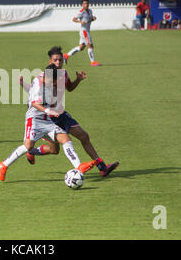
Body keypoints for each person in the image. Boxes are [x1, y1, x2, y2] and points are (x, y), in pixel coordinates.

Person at [21, 46, 119, 177]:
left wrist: (78, 80)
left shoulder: (64, 74)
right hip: (49, 119)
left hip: (61, 115)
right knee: (54, 150)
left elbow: (69, 88)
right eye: (55, 60)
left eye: (60, 60)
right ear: (50, 61)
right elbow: (34, 95)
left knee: (84, 136)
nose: (58, 63)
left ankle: (102, 167)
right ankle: (32, 152)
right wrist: (23, 84)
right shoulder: (42, 77)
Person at [0, 64, 95, 181]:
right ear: (47, 78)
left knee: (66, 139)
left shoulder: (48, 80)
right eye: (53, 81)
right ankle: (4, 165)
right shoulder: (39, 84)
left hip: (47, 120)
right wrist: (49, 110)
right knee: (28, 146)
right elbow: (34, 103)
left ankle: (79, 167)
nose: (54, 84)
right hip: (34, 120)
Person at [63, 0, 101, 67]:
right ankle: (93, 62)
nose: (86, 5)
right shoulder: (81, 12)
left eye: (87, 3)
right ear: (82, 5)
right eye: (85, 3)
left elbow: (88, 20)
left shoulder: (90, 11)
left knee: (81, 47)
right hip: (84, 31)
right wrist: (80, 22)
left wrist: (93, 18)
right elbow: (74, 19)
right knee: (90, 45)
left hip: (86, 30)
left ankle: (66, 55)